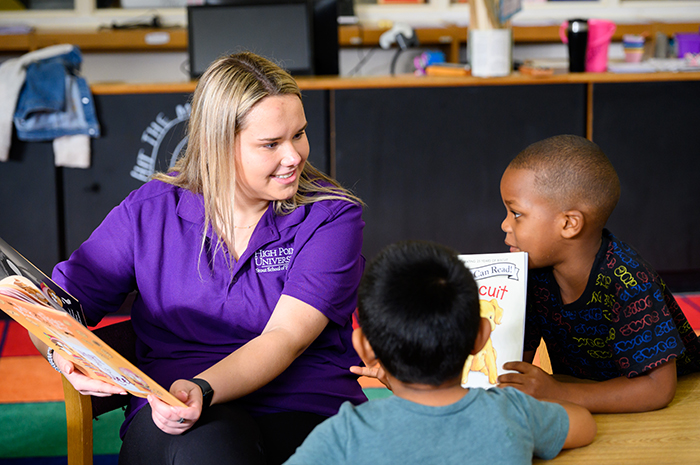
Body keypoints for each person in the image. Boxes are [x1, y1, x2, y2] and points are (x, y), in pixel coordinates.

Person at [29, 52, 367, 465]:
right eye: (271, 144)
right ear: (219, 145)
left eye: (299, 134)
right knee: (206, 444)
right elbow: (48, 308)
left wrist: (201, 389)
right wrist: (60, 353)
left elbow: (285, 337)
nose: (295, 155)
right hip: (172, 412)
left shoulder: (332, 216)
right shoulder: (149, 211)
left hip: (299, 403)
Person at [285, 241, 596, 464]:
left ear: (364, 346)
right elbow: (583, 425)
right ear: (481, 338)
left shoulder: (345, 433)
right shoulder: (514, 412)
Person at [496, 134, 700, 413]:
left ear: (569, 224)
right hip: (583, 398)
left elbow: (659, 388)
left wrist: (559, 392)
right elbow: (513, 362)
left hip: (673, 406)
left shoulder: (630, 282)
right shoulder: (531, 275)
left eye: (516, 213)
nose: (505, 225)